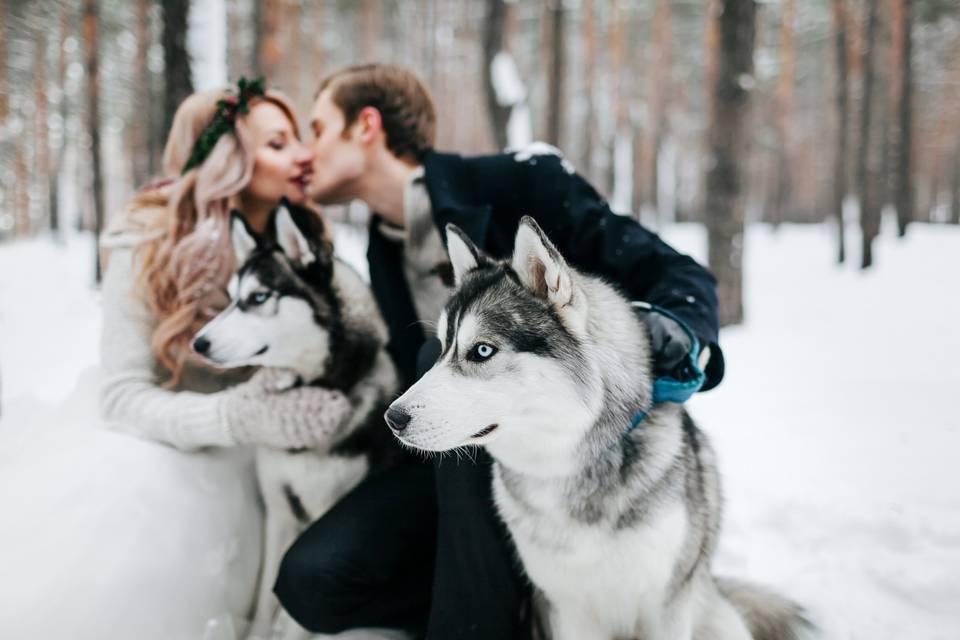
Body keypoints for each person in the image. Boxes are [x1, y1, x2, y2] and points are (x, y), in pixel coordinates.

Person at [274, 64, 725, 639]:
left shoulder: (521, 182)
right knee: (316, 580)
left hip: (575, 450)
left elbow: (679, 274)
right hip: (448, 458)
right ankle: (504, 602)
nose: (306, 151)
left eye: (317, 128)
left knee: (431, 360)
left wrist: (673, 328)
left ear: (365, 127)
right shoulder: (383, 249)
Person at [0, 79, 353, 639]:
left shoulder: (304, 239)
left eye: (300, 139)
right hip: (168, 460)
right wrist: (233, 417)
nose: (304, 154)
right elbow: (120, 396)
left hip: (272, 474)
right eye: (278, 143)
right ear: (227, 161)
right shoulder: (145, 241)